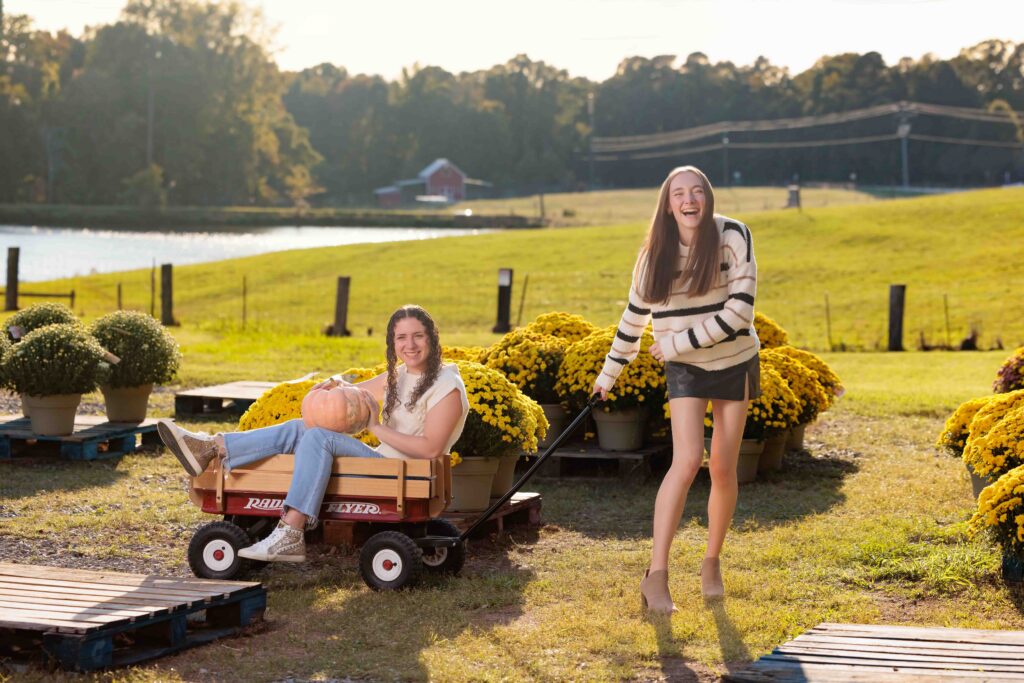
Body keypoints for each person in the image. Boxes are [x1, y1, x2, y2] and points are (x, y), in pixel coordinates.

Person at [157, 305, 469, 563]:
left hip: (400, 470)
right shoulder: (400, 375)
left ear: (433, 338)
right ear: (392, 343)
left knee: (319, 437)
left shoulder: (446, 386)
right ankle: (212, 447)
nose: (409, 345)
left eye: (418, 336)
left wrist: (376, 427)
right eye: (401, 337)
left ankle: (291, 531)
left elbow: (431, 449)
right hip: (385, 465)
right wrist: (330, 385)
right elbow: (352, 391)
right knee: (300, 427)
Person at [592, 166, 760, 611]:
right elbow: (632, 322)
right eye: (679, 194)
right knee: (686, 460)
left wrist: (675, 342)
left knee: (724, 467)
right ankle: (657, 574)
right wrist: (608, 376)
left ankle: (711, 562)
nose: (689, 200)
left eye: (697, 191)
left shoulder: (733, 236)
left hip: (733, 360)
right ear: (668, 205)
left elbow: (740, 312)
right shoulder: (654, 256)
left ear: (708, 196)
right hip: (685, 368)